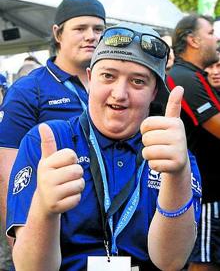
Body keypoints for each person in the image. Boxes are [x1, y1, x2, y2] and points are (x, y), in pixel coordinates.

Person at [6, 23, 201, 271]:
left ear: (154, 92)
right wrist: (44, 209)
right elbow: (30, 268)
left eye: (138, 81)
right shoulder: (47, 143)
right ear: (89, 79)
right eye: (108, 76)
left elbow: (170, 261)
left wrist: (177, 175)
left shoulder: (173, 153)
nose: (119, 93)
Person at [0, 0, 105, 270]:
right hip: (53, 239)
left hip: (107, 236)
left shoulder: (110, 87)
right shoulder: (27, 91)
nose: (91, 36)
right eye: (80, 28)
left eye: (98, 29)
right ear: (57, 33)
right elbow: (7, 175)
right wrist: (22, 246)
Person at [166, 14, 220, 271]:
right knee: (203, 263)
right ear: (193, 40)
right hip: (204, 193)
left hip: (206, 190)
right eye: (210, 33)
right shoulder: (183, 77)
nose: (216, 38)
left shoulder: (194, 76)